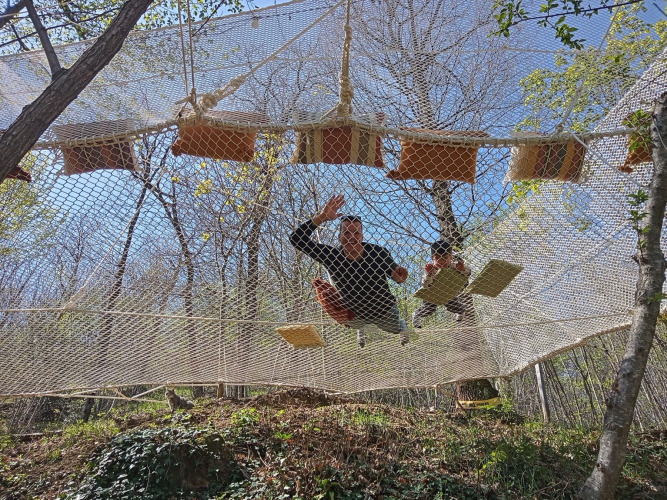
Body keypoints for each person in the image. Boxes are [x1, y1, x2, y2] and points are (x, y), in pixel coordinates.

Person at [289, 194, 410, 347]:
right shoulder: (332, 256)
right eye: (346, 232)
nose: (351, 236)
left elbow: (396, 276)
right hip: (355, 313)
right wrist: (322, 218)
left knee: (394, 328)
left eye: (356, 232)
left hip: (383, 310)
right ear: (339, 236)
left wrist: (400, 278)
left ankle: (401, 326)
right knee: (351, 320)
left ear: (362, 236)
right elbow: (296, 239)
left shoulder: (378, 253)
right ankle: (361, 328)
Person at [412, 240, 474, 328]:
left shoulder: (455, 267)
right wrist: (429, 274)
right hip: (432, 293)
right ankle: (416, 315)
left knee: (455, 306)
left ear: (451, 257)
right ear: (432, 258)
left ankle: (460, 312)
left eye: (445, 258)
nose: (441, 261)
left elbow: (468, 273)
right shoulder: (431, 269)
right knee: (429, 309)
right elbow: (425, 285)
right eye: (437, 258)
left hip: (448, 292)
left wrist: (462, 269)